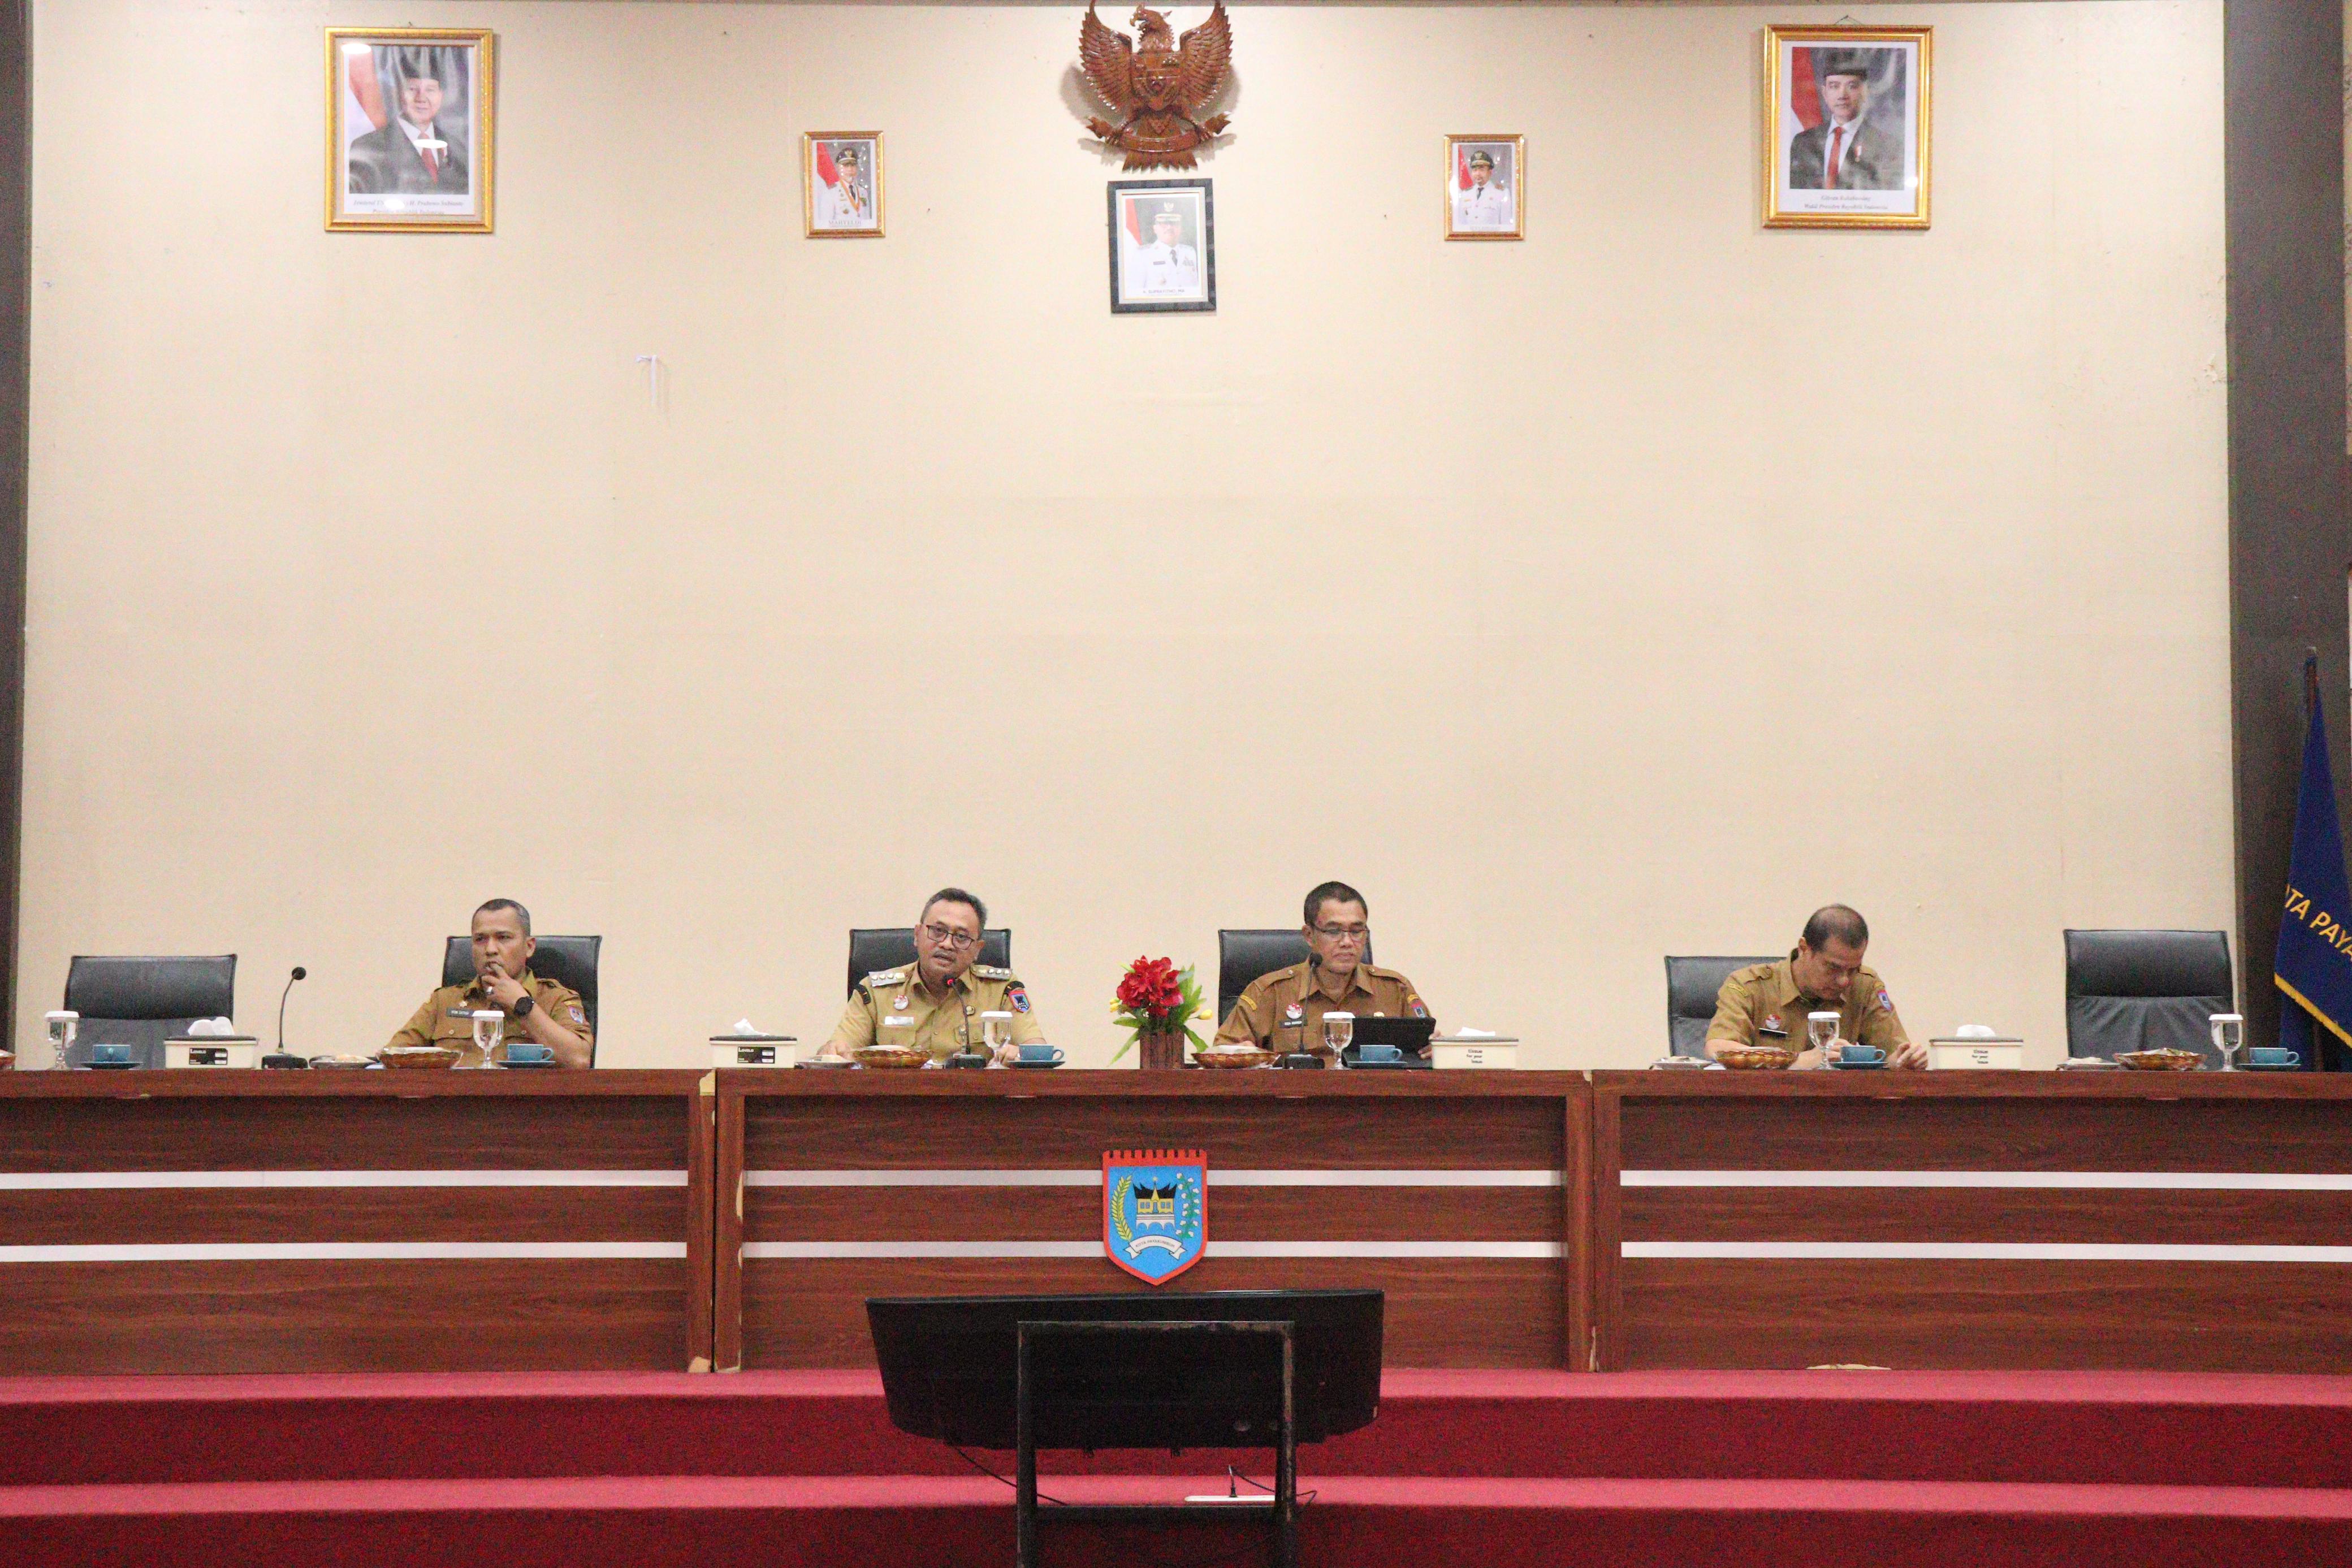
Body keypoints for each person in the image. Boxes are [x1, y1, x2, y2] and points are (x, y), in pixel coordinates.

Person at [822, 888, 1046, 1063]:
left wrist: (1020, 1054)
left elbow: (1038, 1051)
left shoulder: (1002, 990)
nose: (947, 944)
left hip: (976, 1106)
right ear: (917, 935)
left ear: (978, 949)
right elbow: (836, 1052)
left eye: (961, 937)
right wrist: (833, 1052)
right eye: (938, 931)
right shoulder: (876, 992)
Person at [1215, 881, 1435, 1059]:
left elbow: (1427, 1049)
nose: (1347, 942)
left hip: (1372, 1098)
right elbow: (1221, 1053)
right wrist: (1238, 1054)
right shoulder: (1270, 993)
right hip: (1296, 1099)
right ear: (1309, 935)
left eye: (1356, 931)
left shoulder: (1395, 990)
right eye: (1334, 931)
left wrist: (1433, 1050)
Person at [1705, 904, 1922, 1068]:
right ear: (1804, 949)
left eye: (1853, 969)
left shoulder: (1865, 986)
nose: (1844, 981)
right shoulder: (1749, 986)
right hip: (1764, 1107)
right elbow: (1718, 1047)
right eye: (1833, 968)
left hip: (1840, 1107)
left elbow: (1892, 1053)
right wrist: (1797, 1061)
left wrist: (1903, 1061)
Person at [385, 899, 594, 1068]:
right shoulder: (444, 1001)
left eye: (503, 938)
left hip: (527, 1106)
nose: (490, 949)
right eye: (480, 939)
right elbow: (391, 1059)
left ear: (529, 947)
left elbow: (579, 1061)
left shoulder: (555, 998)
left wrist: (523, 1005)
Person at [348, 50, 470, 197]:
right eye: (412, 89)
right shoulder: (367, 147)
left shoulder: (458, 150)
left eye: (430, 90)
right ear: (400, 93)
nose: (421, 98)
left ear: (441, 96)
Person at [1786, 53, 1901, 192]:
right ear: (1825, 93)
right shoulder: (1803, 142)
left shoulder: (1888, 146)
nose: (1842, 95)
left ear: (1865, 92)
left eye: (1852, 86)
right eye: (1834, 86)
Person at [1127, 205, 1200, 296]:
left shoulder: (1190, 253)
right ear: (1155, 228)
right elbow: (1135, 294)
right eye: (1164, 223)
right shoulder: (1143, 255)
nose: (1169, 227)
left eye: (1174, 223)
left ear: (1181, 228)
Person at [815, 145, 875, 228]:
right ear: (839, 167)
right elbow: (826, 224)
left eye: (853, 165)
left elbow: (867, 220)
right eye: (846, 166)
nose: (850, 169)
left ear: (857, 167)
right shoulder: (831, 192)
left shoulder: (863, 192)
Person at [1452, 149, 1514, 231]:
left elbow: (1506, 227)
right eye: (1475, 170)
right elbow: (1461, 225)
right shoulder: (1465, 194)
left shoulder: (1502, 194)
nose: (1478, 174)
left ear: (1490, 172)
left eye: (1482, 170)